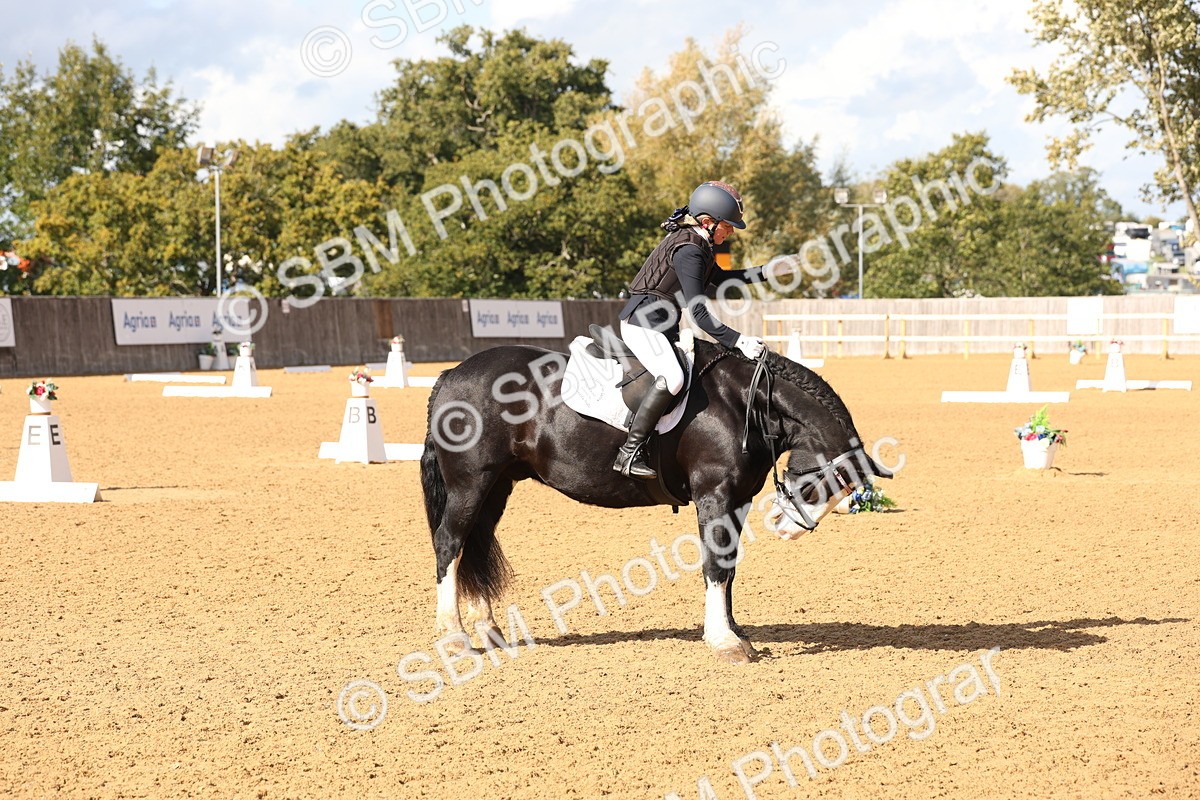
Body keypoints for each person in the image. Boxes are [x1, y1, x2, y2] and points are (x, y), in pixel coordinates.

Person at [613, 180, 770, 480]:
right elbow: (698, 313)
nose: (732, 231)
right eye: (729, 225)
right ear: (709, 222)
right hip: (641, 325)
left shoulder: (698, 242)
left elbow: (722, 281)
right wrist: (739, 342)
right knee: (673, 378)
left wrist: (764, 272)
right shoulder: (690, 250)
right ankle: (629, 452)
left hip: (660, 326)